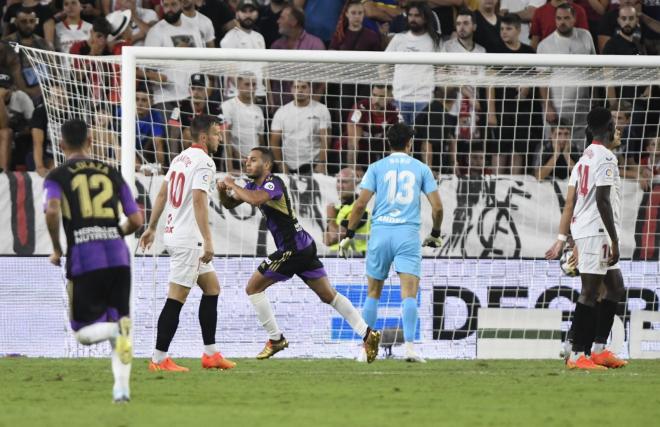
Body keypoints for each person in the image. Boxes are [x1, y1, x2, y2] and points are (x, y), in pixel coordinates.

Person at [217, 147, 382, 362]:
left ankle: (275, 339)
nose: (247, 163)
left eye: (253, 160)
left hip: (292, 249)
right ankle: (368, 334)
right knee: (328, 295)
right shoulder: (251, 185)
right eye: (247, 160)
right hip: (303, 246)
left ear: (266, 165)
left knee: (253, 288)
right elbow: (231, 202)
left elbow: (255, 199)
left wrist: (231, 184)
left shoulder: (272, 183)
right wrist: (223, 191)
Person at [44, 119, 143, 402]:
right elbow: (136, 218)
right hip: (118, 257)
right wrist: (113, 232)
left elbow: (51, 211)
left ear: (61, 145)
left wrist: (56, 248)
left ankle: (114, 331)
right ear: (90, 142)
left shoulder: (57, 176)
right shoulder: (111, 172)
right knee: (122, 325)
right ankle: (121, 391)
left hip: (85, 259)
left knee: (82, 333)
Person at [338, 123, 444, 363]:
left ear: (388, 142)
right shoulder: (421, 168)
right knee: (409, 294)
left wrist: (349, 235)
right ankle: (410, 349)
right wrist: (436, 232)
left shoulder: (376, 168)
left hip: (381, 233)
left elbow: (359, 205)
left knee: (373, 293)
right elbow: (437, 207)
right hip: (407, 234)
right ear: (410, 143)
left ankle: (366, 352)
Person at [139, 115, 236, 372]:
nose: (219, 138)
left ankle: (211, 354)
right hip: (188, 239)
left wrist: (151, 227)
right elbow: (198, 200)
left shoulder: (180, 158)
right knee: (176, 297)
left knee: (212, 288)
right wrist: (208, 240)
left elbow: (162, 193)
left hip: (175, 233)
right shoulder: (205, 162)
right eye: (216, 134)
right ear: (204, 137)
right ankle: (158, 359)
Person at [545, 106, 628, 370]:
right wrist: (614, 240)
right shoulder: (604, 158)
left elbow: (573, 201)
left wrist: (566, 236)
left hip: (591, 230)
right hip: (597, 231)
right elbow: (602, 201)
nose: (617, 127)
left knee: (615, 288)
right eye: (615, 123)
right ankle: (577, 354)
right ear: (608, 127)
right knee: (591, 292)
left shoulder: (583, 159)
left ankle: (599, 349)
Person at [385, 2, 442, 126]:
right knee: (399, 141)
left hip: (424, 100)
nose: (413, 19)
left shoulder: (435, 41)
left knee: (421, 142)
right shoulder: (398, 39)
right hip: (399, 99)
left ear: (425, 18)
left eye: (417, 16)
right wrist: (387, 90)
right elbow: (384, 65)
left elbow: (442, 69)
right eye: (410, 15)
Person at [270, 80, 331, 174]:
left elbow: (326, 140)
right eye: (296, 87)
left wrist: (322, 163)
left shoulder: (321, 109)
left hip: (313, 164)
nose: (300, 90)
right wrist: (280, 164)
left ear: (310, 89)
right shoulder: (282, 112)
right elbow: (274, 142)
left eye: (303, 87)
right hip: (289, 165)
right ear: (291, 90)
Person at [345, 84, 400, 169]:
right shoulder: (359, 109)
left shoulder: (395, 112)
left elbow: (396, 145)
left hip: (379, 152)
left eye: (382, 96)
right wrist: (352, 168)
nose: (376, 100)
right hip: (358, 152)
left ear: (391, 97)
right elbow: (352, 143)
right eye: (374, 95)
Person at [221, 73, 265, 174]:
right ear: (238, 85)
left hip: (255, 164)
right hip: (236, 162)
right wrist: (230, 167)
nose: (251, 88)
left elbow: (261, 140)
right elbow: (225, 137)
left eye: (254, 85)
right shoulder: (228, 106)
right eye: (247, 84)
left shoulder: (258, 110)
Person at [324, 167, 371, 255]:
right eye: (338, 181)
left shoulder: (359, 210)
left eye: (344, 182)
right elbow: (327, 241)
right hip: (336, 258)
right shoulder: (338, 209)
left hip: (354, 260)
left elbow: (334, 237)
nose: (340, 186)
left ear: (355, 184)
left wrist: (330, 218)